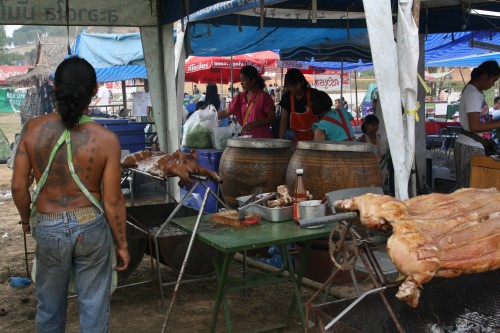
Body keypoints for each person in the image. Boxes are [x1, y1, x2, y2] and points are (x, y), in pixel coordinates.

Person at [11, 57, 130, 332]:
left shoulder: (32, 129)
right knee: (93, 307)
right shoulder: (106, 139)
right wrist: (122, 244)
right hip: (90, 226)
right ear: (95, 90)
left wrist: (27, 221)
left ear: (55, 87)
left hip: (48, 225)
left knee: (50, 308)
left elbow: (18, 187)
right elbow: (113, 201)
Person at [454, 60, 500, 188]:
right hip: (470, 146)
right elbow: (474, 126)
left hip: (472, 145)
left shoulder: (474, 92)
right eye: (493, 81)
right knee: (470, 190)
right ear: (485, 77)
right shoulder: (473, 94)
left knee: (471, 188)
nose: (493, 85)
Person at [218, 65, 276, 138]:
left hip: (262, 141)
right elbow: (226, 112)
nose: (241, 83)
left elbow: (272, 118)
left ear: (253, 80)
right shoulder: (240, 97)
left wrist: (255, 124)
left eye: (244, 80)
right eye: (241, 80)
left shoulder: (264, 97)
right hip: (246, 139)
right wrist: (211, 117)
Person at [278, 68, 333, 143]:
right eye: (289, 86)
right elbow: (283, 120)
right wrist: (280, 141)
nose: (293, 89)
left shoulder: (314, 94)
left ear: (302, 82)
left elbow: (325, 115)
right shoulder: (286, 98)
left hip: (316, 136)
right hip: (297, 139)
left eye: (295, 85)